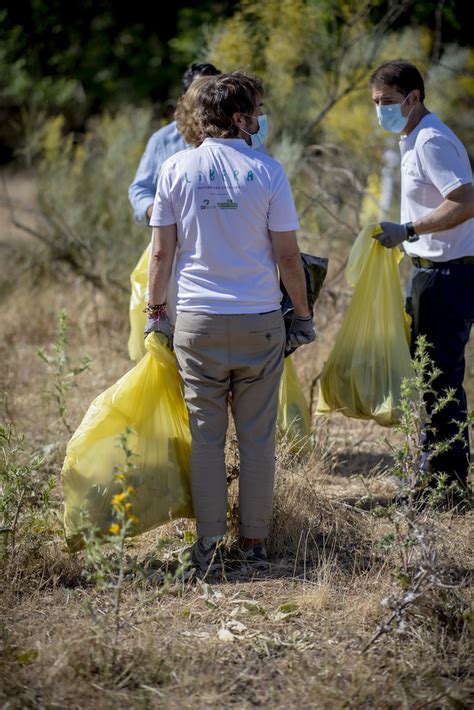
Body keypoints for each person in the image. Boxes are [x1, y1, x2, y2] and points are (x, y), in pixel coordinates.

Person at [145, 71, 316, 573]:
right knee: (259, 437)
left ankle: (208, 542)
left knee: (206, 436)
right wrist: (302, 316)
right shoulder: (268, 172)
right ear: (240, 117)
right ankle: (255, 544)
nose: (261, 119)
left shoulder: (176, 168)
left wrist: (156, 316)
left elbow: (160, 255)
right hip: (259, 323)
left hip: (196, 324)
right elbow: (289, 258)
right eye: (257, 110)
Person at [369, 59, 474, 504]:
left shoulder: (431, 140)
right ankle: (433, 473)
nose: (381, 110)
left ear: (413, 98)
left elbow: (466, 200)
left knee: (440, 378)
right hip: (428, 274)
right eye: (376, 103)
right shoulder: (410, 137)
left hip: (448, 276)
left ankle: (450, 486)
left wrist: (409, 230)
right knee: (428, 375)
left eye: (388, 102)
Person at [128, 62, 221, 224]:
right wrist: (161, 217)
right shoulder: (163, 140)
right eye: (200, 93)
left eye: (213, 92)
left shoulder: (239, 136)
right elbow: (140, 189)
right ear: (185, 100)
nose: (208, 100)